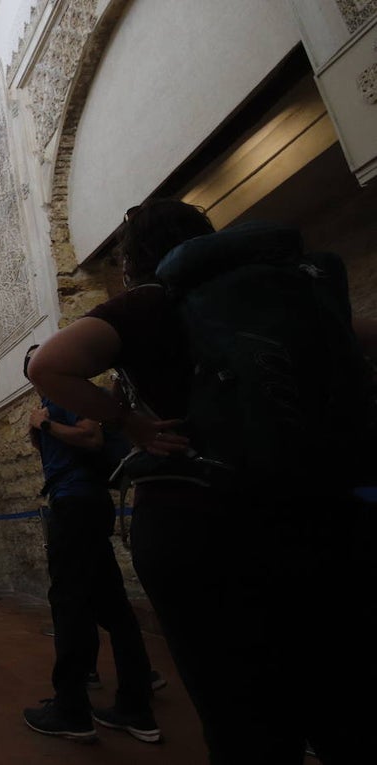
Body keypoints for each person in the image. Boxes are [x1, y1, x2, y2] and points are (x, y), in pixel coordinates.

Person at [27, 198, 377, 764]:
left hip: (197, 521)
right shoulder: (292, 296)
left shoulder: (148, 304)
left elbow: (47, 365)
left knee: (239, 710)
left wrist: (131, 423)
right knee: (342, 699)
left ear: (132, 258)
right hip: (318, 513)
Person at [22, 346, 160, 744]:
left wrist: (45, 426)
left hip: (76, 503)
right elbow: (56, 449)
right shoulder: (55, 400)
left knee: (69, 603)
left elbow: (91, 436)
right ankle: (136, 707)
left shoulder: (69, 395)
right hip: (84, 502)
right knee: (113, 606)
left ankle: (71, 710)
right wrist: (38, 427)